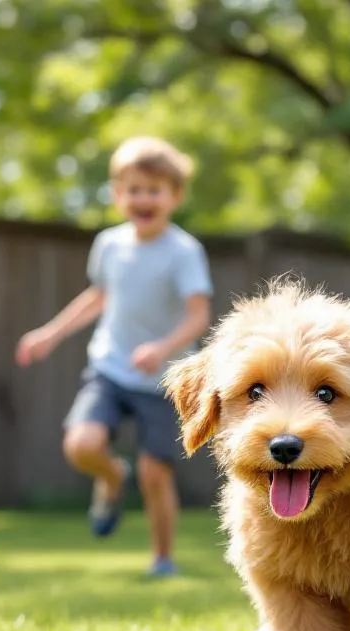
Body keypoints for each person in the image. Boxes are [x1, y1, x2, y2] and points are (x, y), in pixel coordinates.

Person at [15, 136, 213, 578]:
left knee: (155, 474)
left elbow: (199, 315)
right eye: (134, 189)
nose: (143, 199)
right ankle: (111, 477)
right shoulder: (109, 244)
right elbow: (98, 297)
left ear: (175, 196)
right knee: (81, 445)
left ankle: (162, 560)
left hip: (163, 378)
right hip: (110, 367)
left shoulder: (183, 252)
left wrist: (161, 348)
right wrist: (50, 334)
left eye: (154, 190)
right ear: (118, 194)